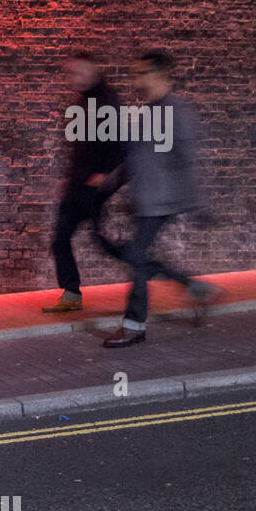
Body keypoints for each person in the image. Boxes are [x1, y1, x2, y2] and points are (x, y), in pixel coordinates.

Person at [102, 50, 221, 348]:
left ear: (159, 75)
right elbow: (135, 160)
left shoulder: (176, 112)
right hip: (147, 200)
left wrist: (197, 204)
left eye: (141, 73)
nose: (136, 79)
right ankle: (195, 288)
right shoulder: (147, 112)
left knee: (135, 257)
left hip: (163, 201)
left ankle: (133, 325)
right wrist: (109, 187)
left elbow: (188, 161)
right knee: (135, 256)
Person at [42, 52, 126, 313]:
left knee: (100, 241)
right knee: (61, 238)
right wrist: (69, 180)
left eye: (78, 72)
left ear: (92, 70)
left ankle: (146, 264)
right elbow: (80, 149)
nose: (74, 78)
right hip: (79, 184)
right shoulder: (84, 101)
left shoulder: (108, 101)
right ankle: (71, 293)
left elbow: (122, 143)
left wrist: (104, 173)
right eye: (70, 73)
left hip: (95, 187)